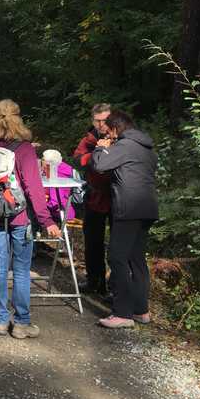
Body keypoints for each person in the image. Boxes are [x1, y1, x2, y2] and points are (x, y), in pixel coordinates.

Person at [0, 100, 61, 338]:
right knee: (22, 270)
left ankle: (1, 320)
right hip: (20, 216)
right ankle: (22, 323)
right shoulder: (24, 149)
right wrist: (47, 220)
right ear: (18, 118)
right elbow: (33, 187)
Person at [91, 110, 158, 329]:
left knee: (117, 258)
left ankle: (122, 313)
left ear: (116, 128)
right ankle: (141, 310)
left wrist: (101, 147)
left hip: (128, 208)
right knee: (136, 260)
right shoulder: (146, 147)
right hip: (146, 207)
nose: (109, 136)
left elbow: (100, 165)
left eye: (109, 132)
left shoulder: (124, 146)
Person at [73, 102, 113, 295]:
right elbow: (77, 159)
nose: (100, 125)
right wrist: (96, 153)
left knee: (117, 246)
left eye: (104, 120)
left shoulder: (120, 137)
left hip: (116, 196)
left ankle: (114, 287)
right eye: (97, 120)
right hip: (95, 194)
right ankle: (94, 280)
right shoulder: (89, 138)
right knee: (92, 241)